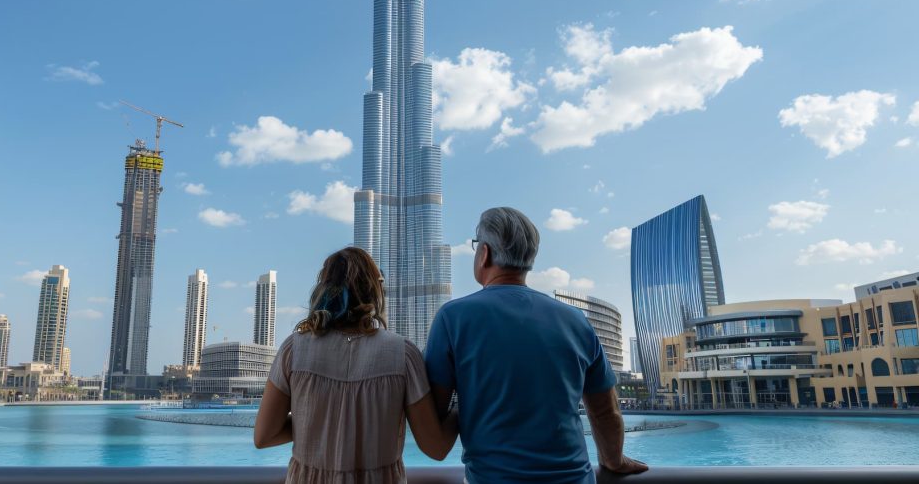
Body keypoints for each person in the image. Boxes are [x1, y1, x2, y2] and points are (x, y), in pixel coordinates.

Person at [424, 207, 648, 483]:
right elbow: (605, 410)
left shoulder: (453, 318)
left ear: (485, 253)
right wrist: (614, 460)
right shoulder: (576, 320)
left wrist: (467, 406)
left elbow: (434, 430)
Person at [255, 246, 458, 483]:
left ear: (324, 288)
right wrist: (460, 407)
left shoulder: (294, 349)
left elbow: (263, 436)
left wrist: (315, 426)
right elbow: (436, 448)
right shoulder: (402, 354)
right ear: (374, 291)